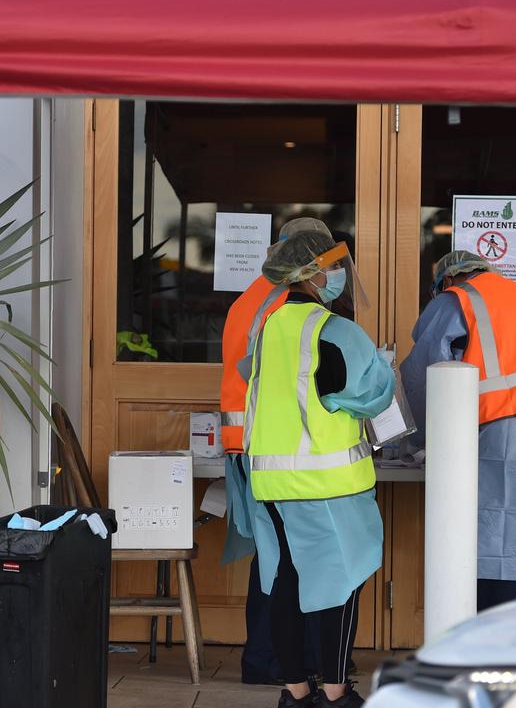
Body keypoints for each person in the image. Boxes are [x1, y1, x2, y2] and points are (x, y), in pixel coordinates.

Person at [245, 231, 394, 708]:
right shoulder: (336, 331)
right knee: (340, 580)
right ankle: (335, 694)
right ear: (311, 274)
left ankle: (295, 692)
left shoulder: (267, 327)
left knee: (288, 578)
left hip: (270, 480)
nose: (339, 277)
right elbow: (373, 396)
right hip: (326, 482)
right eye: (333, 268)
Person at [400, 250, 516, 612]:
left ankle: (498, 637)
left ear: (447, 280)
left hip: (495, 423)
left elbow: (424, 375)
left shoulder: (456, 299)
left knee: (497, 529)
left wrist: (416, 442)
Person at [220, 216, 331, 687]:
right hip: (271, 444)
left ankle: (265, 659)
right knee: (285, 557)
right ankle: (271, 662)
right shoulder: (286, 301)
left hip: (245, 442)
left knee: (272, 553)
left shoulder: (250, 296)